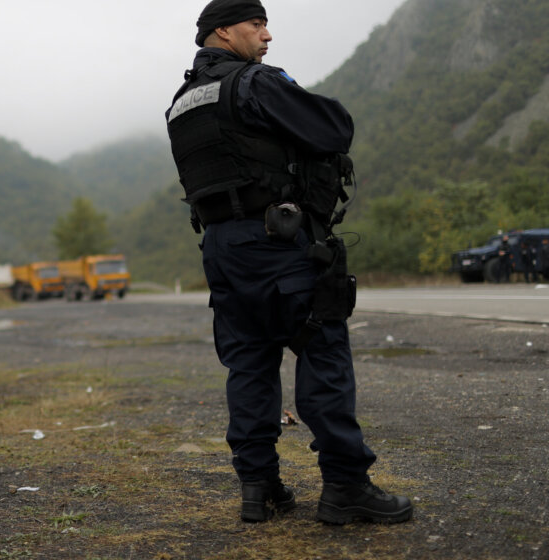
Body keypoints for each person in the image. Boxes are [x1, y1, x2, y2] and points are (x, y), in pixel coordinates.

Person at [165, 0, 412, 524]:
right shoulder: (255, 83)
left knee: (249, 364)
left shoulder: (182, 102)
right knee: (322, 350)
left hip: (222, 247)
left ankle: (259, 489)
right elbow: (334, 128)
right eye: (256, 24)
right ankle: (345, 486)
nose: (267, 35)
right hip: (278, 241)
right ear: (223, 32)